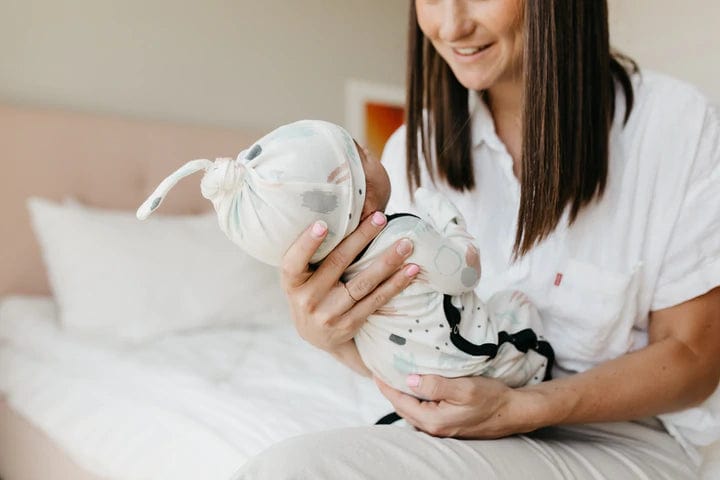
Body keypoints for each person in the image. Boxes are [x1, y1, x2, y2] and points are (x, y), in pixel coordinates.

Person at [234, 0, 720, 478]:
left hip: (624, 439)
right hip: (469, 434)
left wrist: (522, 408)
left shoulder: (674, 125)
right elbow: (421, 345)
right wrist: (333, 337)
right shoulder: (413, 148)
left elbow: (696, 359)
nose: (451, 25)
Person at [137, 119, 555, 397]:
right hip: (471, 361)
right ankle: (532, 368)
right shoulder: (404, 235)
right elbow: (464, 274)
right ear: (360, 189)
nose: (376, 154)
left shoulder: (333, 274)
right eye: (365, 154)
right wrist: (450, 222)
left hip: (408, 387)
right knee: (517, 305)